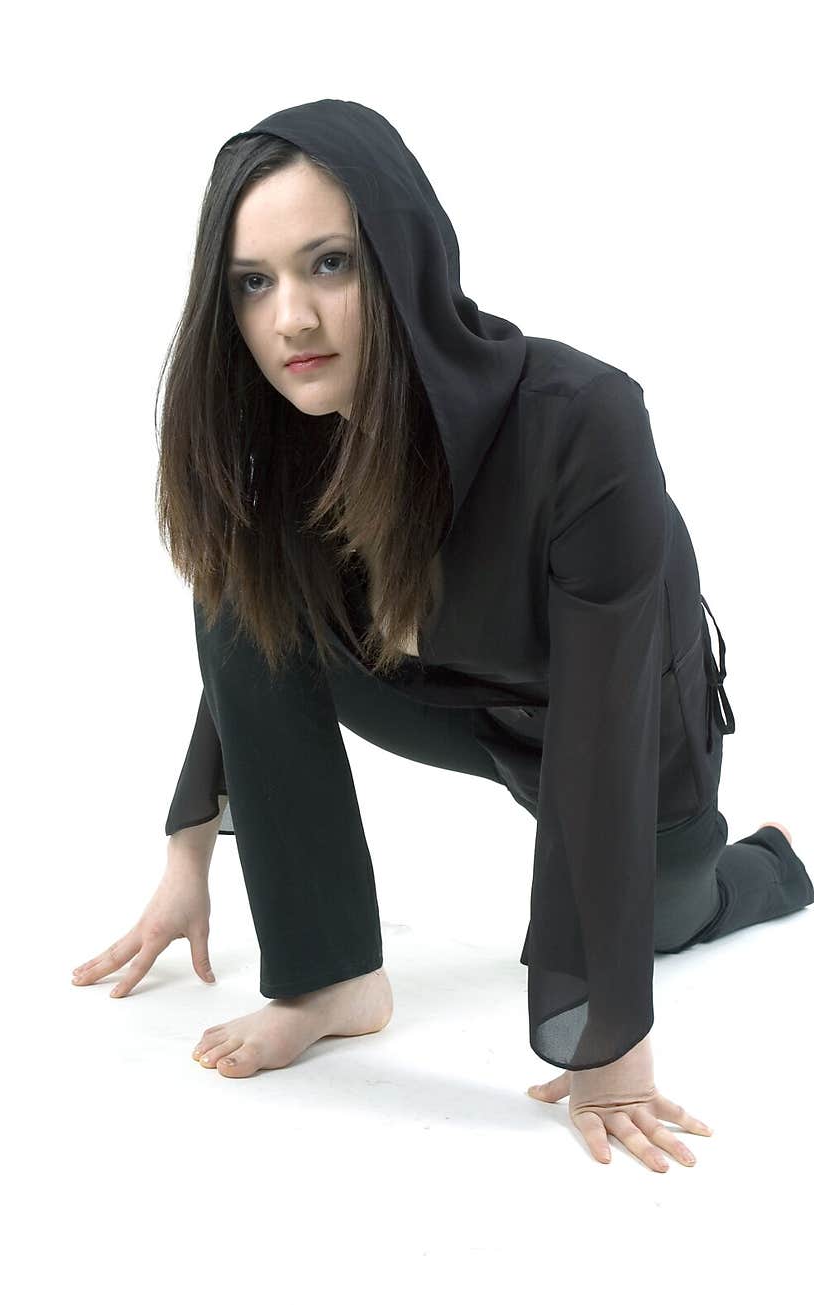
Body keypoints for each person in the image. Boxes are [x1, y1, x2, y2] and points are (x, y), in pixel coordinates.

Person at [71, 100, 814, 1171]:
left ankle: (769, 866)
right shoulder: (287, 443)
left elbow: (602, 739)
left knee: (665, 916)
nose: (290, 320)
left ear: (403, 257)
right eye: (253, 282)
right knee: (238, 568)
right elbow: (246, 644)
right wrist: (188, 852)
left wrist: (612, 1049)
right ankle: (330, 976)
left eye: (328, 264)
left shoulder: (582, 419)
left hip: (621, 728)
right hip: (440, 695)